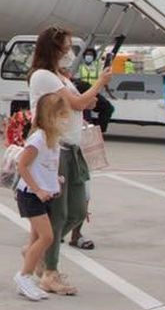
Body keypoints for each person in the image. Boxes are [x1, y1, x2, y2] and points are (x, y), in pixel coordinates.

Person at [27, 26, 113, 295]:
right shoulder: (43, 76)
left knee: (77, 210)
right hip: (56, 149)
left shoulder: (59, 77)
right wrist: (100, 82)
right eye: (66, 47)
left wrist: (87, 100)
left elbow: (76, 103)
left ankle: (39, 249)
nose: (70, 52)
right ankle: (49, 270)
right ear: (54, 49)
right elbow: (74, 104)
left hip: (73, 148)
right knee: (61, 211)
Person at [15, 91, 69, 301]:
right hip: (31, 196)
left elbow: (47, 166)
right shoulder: (38, 139)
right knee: (47, 237)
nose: (65, 119)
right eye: (61, 115)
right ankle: (24, 276)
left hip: (45, 196)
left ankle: (26, 276)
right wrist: (38, 189)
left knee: (36, 239)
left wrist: (55, 181)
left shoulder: (52, 138)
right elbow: (22, 165)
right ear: (50, 116)